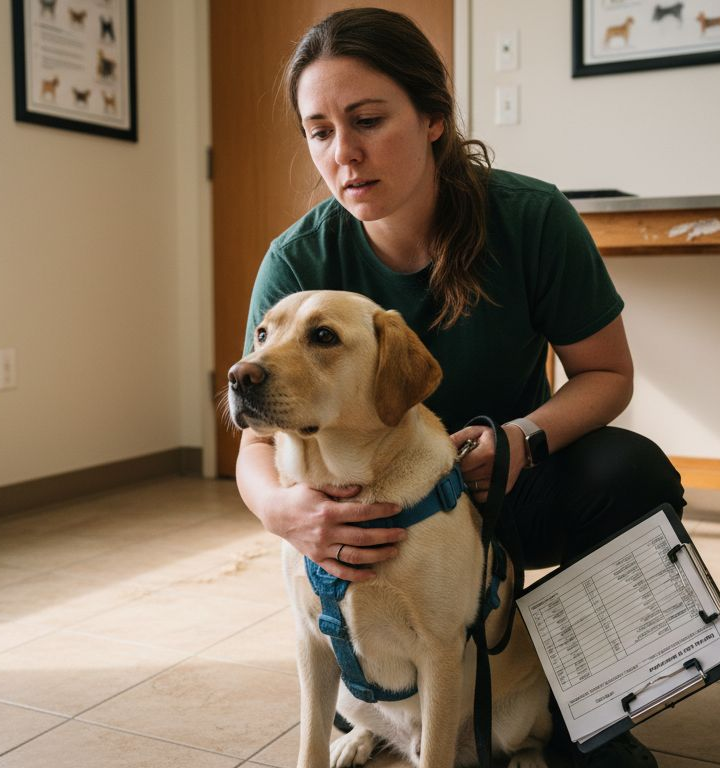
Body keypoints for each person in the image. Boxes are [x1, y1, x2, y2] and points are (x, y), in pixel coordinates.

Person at [234, 8, 684, 767]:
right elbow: (256, 440)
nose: (344, 153)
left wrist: (523, 438)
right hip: (377, 504)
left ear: (434, 116)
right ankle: (382, 710)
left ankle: (597, 714)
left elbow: (609, 374)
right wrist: (287, 512)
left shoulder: (531, 219)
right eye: (319, 131)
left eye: (369, 119)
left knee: (630, 473)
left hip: (507, 488)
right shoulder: (298, 262)